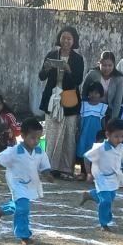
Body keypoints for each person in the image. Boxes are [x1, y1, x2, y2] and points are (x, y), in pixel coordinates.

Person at [0, 116, 51, 245]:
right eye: (33, 138)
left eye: (39, 138)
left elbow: (44, 166)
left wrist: (48, 175)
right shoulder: (14, 151)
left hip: (30, 183)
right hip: (16, 183)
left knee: (19, 205)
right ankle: (24, 235)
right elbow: (0, 161)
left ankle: (3, 209)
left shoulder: (39, 151)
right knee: (23, 208)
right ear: (23, 136)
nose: (36, 141)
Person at [38, 27, 86, 178]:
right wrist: (46, 68)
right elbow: (41, 76)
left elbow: (78, 81)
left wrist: (69, 69)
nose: (66, 41)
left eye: (69, 39)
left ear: (74, 41)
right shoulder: (51, 55)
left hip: (69, 98)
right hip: (52, 98)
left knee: (69, 134)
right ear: (59, 38)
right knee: (51, 132)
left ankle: (66, 169)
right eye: (64, 38)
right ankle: (49, 167)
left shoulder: (78, 59)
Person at [80, 119, 123, 230]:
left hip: (114, 177)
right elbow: (87, 158)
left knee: (110, 197)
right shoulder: (100, 148)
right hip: (101, 177)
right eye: (116, 136)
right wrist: (89, 173)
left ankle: (89, 195)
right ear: (108, 134)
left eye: (122, 137)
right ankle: (104, 223)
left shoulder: (122, 148)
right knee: (106, 201)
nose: (120, 139)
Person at [77, 85, 108, 182]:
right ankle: (83, 172)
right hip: (84, 133)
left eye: (96, 93)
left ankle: (93, 173)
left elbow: (103, 122)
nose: (93, 95)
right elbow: (79, 119)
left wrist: (104, 134)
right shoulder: (83, 105)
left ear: (101, 95)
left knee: (96, 152)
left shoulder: (103, 107)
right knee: (82, 151)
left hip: (96, 135)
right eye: (91, 92)